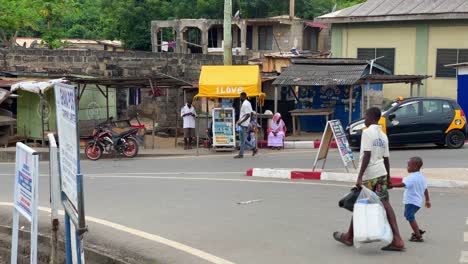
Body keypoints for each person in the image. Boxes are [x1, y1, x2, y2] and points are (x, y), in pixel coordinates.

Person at [333, 107, 405, 251]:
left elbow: (366, 155)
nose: (364, 119)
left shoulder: (367, 133)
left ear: (370, 117)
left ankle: (348, 237)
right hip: (381, 174)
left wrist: (359, 177)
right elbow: (386, 159)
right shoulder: (383, 135)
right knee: (384, 203)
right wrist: (388, 178)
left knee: (360, 203)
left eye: (365, 116)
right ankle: (397, 239)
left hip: (370, 175)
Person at [391, 157, 431, 242]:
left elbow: (402, 184)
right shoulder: (422, 177)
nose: (407, 167)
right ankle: (417, 231)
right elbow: (425, 189)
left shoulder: (411, 177)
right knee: (408, 215)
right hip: (417, 202)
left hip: (411, 201)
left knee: (409, 216)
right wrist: (427, 200)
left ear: (415, 167)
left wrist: (391, 185)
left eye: (409, 166)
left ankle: (418, 236)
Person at [234, 92, 257, 158]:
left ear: (243, 96)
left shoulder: (245, 104)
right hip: (244, 124)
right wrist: (249, 122)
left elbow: (248, 114)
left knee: (243, 140)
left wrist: (241, 122)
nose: (240, 98)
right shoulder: (248, 103)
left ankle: (241, 154)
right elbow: (251, 113)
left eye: (240, 97)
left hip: (243, 124)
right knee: (243, 140)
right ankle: (253, 148)